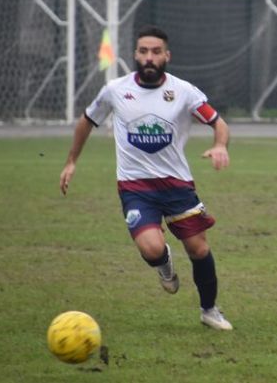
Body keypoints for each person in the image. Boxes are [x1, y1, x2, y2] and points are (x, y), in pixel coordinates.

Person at [59, 25, 233, 331]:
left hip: (177, 185)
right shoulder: (115, 90)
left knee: (199, 249)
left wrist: (220, 145)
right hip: (135, 187)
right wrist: (71, 161)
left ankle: (209, 310)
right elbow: (86, 121)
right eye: (143, 51)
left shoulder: (184, 92)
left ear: (167, 55)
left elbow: (218, 122)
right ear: (136, 55)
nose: (149, 57)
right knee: (152, 249)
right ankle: (164, 264)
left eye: (155, 52)